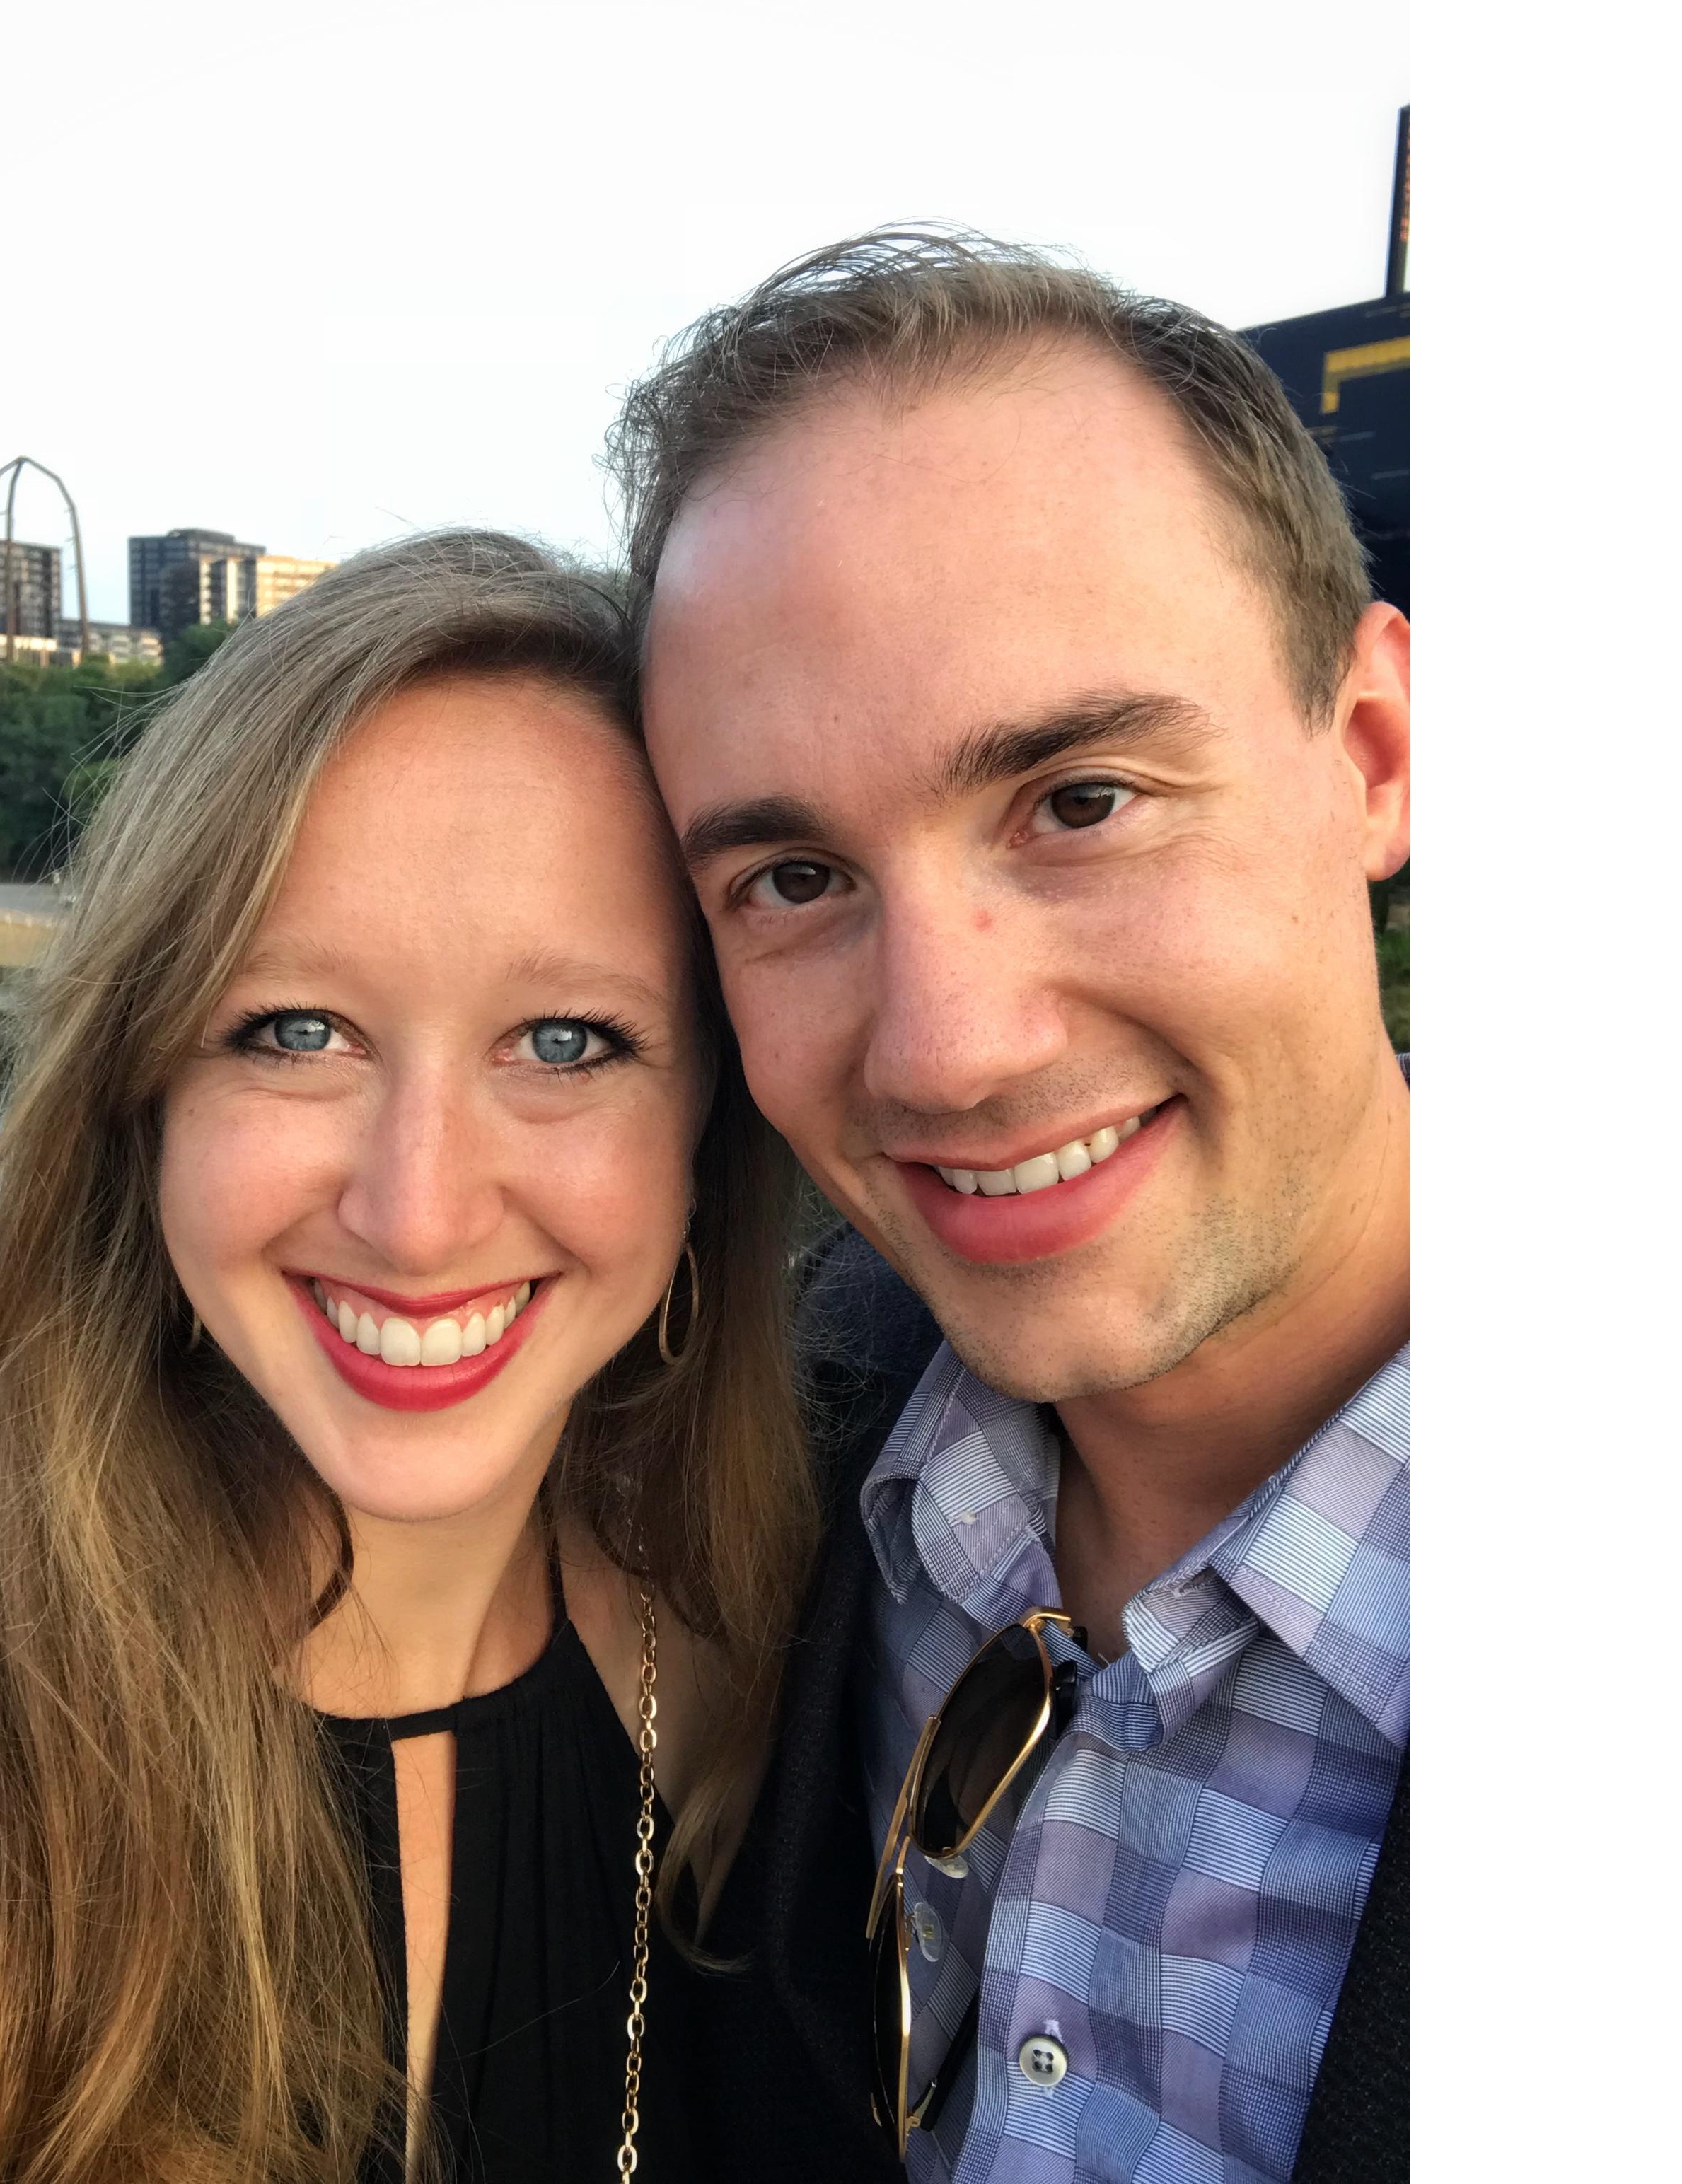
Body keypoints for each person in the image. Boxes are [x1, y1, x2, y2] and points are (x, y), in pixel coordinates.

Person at [0, 533, 825, 2184]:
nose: (415, 1214)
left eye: (566, 1042)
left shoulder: (726, 1685)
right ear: (143, 1101)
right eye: (292, 1029)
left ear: (705, 1129)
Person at [610, 230, 1410, 2183]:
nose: (949, 1052)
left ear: (1374, 756)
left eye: (1079, 799)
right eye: (792, 880)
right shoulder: (739, 1464)